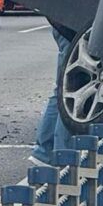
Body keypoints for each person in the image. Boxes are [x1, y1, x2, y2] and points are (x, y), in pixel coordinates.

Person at [30, 26, 73, 166]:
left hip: (65, 25)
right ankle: (63, 155)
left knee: (63, 89)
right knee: (71, 89)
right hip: (75, 27)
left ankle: (45, 152)